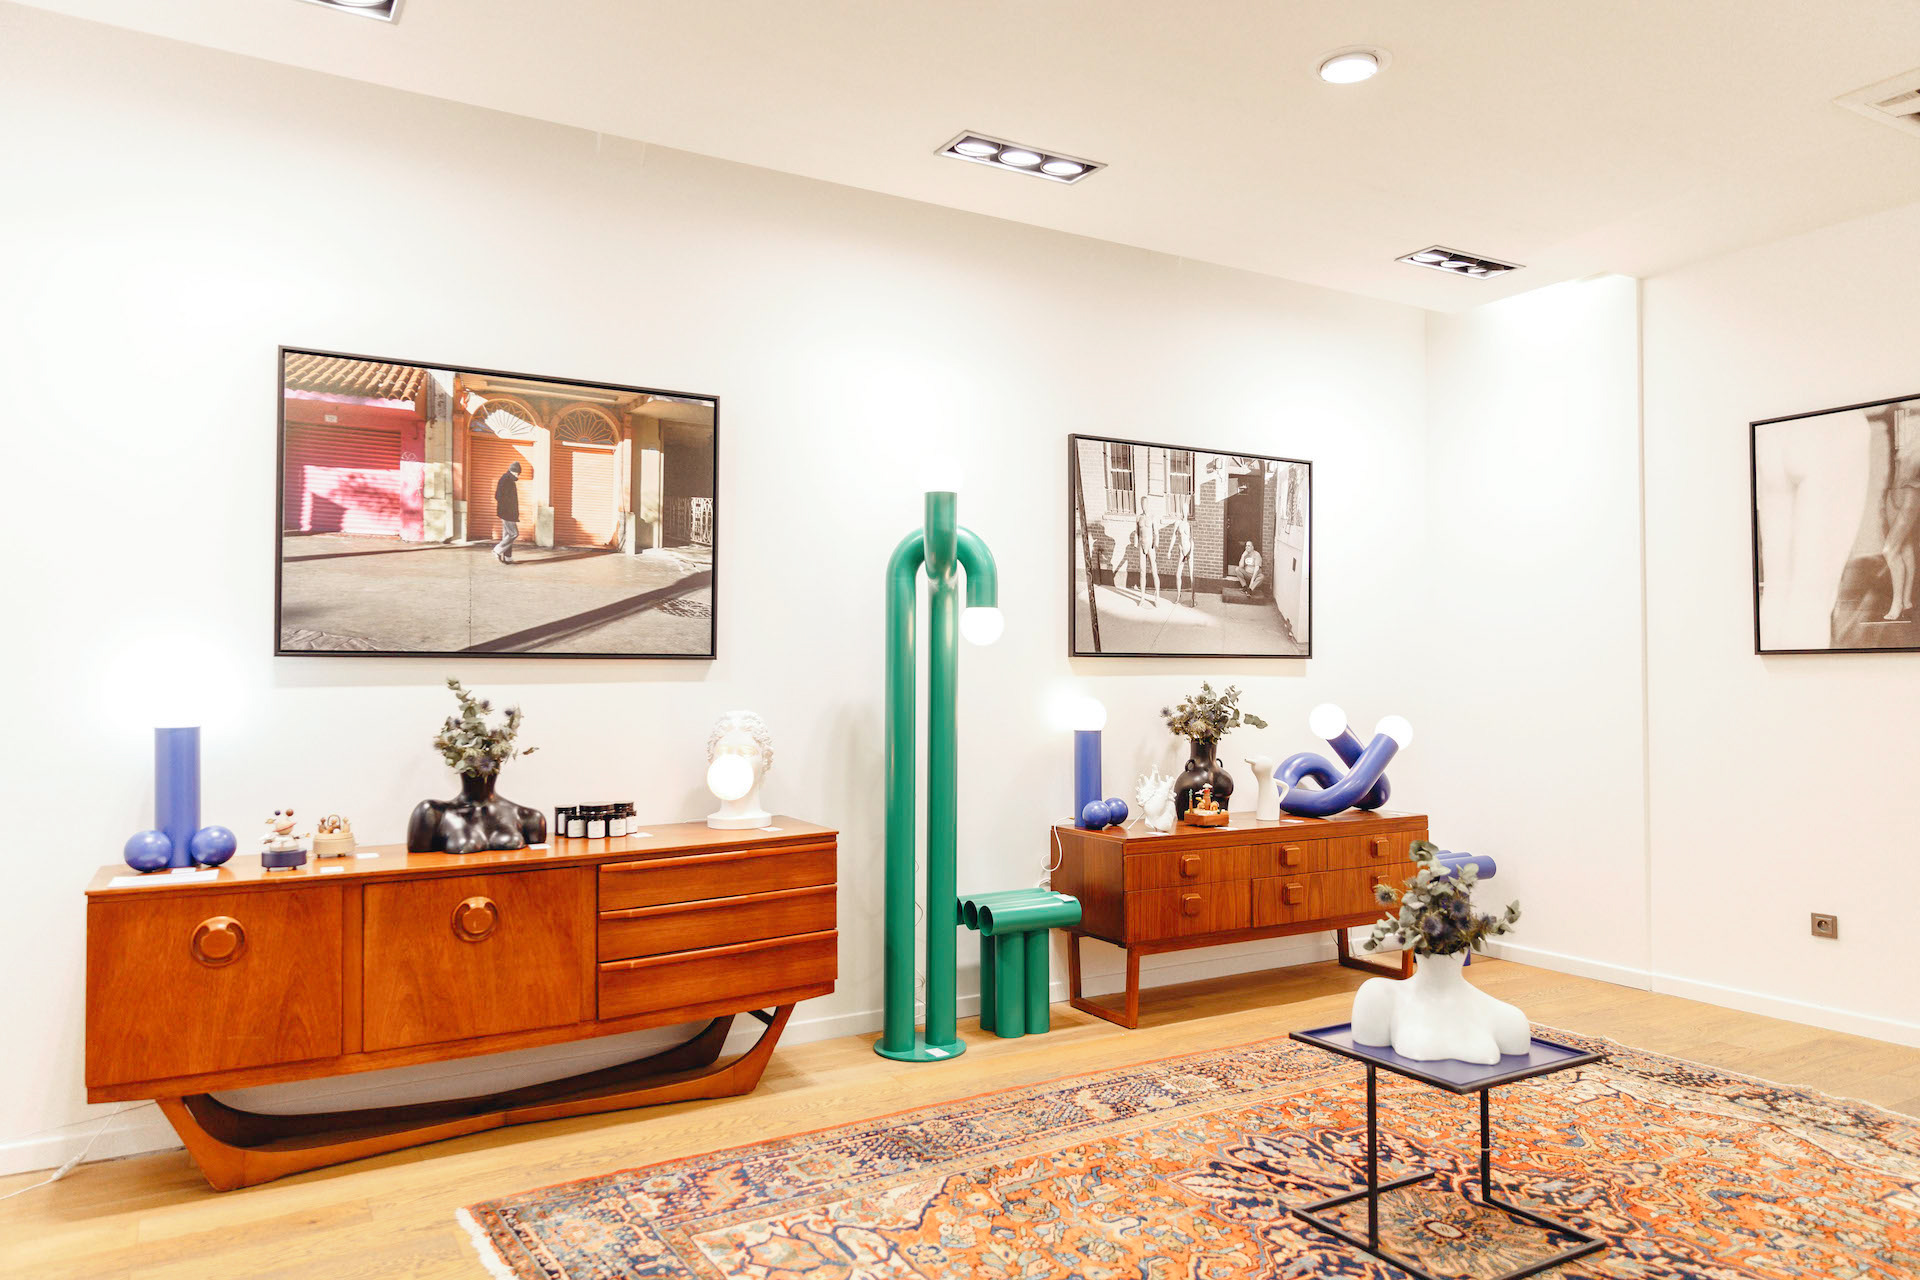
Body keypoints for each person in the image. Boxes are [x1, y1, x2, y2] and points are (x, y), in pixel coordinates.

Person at [493, 461, 521, 563]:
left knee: (507, 535)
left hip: (508, 512)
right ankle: (497, 550)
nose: (518, 476)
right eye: (517, 473)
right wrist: (507, 507)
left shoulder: (508, 479)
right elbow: (498, 495)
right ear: (512, 471)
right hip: (507, 513)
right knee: (514, 534)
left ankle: (507, 557)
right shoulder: (506, 479)